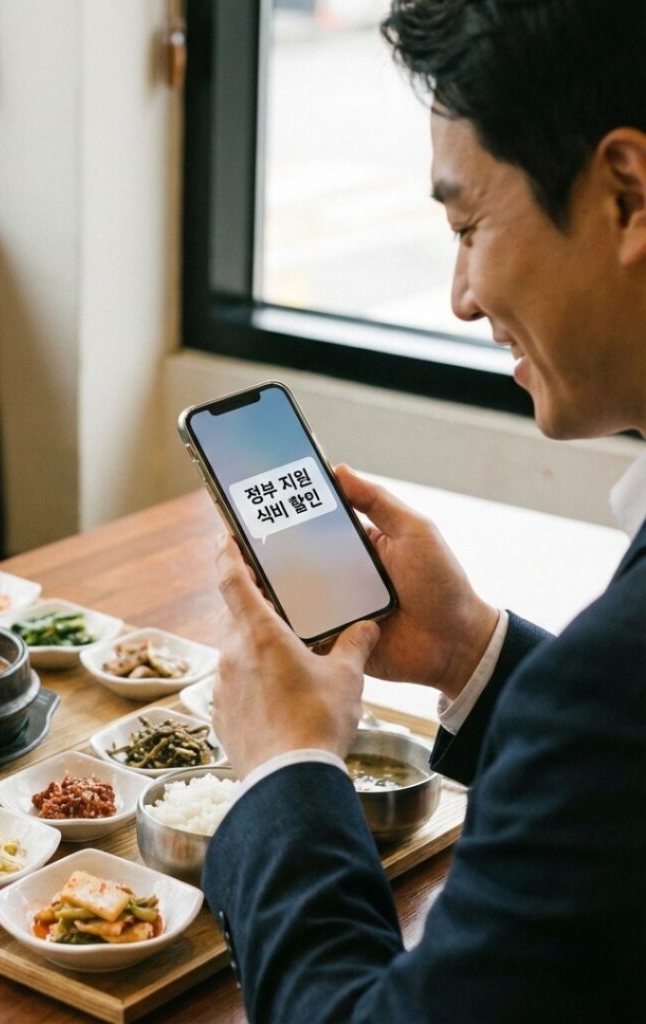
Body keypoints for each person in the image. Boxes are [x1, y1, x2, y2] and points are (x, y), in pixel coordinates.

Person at [201, 1, 646, 1021]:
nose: (460, 297)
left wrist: (285, 768)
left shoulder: (608, 689)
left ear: (627, 194)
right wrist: (469, 650)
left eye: (467, 227)